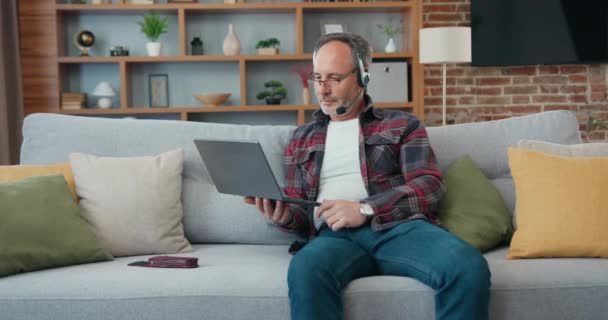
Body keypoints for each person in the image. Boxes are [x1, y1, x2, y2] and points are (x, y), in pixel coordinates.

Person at [244, 32, 490, 320]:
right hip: (333, 238)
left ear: (363, 75)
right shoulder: (301, 139)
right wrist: (284, 216)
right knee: (305, 269)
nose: (322, 90)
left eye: (334, 78)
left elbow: (430, 185)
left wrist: (365, 209)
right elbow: (301, 214)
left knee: (467, 266)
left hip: (398, 229)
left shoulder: (402, 125)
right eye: (318, 78)